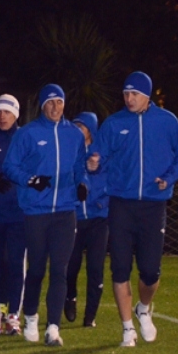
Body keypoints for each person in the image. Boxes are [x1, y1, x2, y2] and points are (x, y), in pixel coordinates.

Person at [87, 72, 178, 346]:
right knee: (120, 269)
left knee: (150, 271)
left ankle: (143, 309)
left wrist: (168, 178)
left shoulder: (167, 121)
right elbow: (97, 154)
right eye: (126, 93)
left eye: (134, 94)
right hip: (121, 204)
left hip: (153, 205)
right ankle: (127, 329)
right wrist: (93, 161)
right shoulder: (114, 123)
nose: (129, 98)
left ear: (147, 96)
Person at [3, 84, 87, 347]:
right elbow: (9, 167)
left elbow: (80, 166)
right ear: (42, 105)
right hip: (36, 211)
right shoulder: (28, 133)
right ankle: (30, 318)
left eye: (59, 102)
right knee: (37, 268)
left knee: (60, 270)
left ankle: (53, 327)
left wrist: (83, 184)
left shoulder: (74, 134)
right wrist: (31, 180)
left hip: (65, 211)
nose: (55, 107)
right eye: (50, 102)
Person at [0, 94, 27, 336]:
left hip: (19, 214)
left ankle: (14, 316)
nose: (2, 116)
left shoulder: (25, 137)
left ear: (16, 114)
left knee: (16, 264)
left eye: (7, 112)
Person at [65, 112, 108, 328]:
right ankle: (70, 297)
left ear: (91, 130)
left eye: (82, 127)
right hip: (74, 217)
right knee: (71, 264)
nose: (77, 131)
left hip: (98, 218)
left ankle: (90, 314)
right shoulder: (69, 152)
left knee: (95, 267)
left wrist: (101, 201)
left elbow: (111, 179)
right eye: (75, 126)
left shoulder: (102, 153)